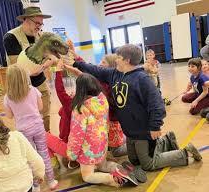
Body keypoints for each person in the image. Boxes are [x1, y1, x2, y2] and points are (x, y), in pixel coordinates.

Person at [64, 44, 202, 171]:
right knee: (134, 161)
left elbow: (157, 105)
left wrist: (155, 127)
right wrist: (76, 63)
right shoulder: (114, 74)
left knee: (147, 164)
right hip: (130, 130)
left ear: (127, 60)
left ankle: (185, 153)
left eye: (118, 57)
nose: (116, 60)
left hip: (143, 130)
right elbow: (95, 70)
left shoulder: (141, 79)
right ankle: (165, 141)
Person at [66, 73, 139, 187]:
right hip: (102, 143)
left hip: (88, 149)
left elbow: (77, 135)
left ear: (80, 89)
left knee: (88, 176)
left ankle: (114, 179)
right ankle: (120, 169)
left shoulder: (80, 109)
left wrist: (72, 154)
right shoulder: (102, 100)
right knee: (102, 166)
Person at [3, 65, 58, 191]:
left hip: (23, 131)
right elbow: (40, 108)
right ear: (24, 77)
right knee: (44, 153)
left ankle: (36, 185)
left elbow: (9, 116)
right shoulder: (33, 90)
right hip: (38, 126)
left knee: (30, 158)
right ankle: (51, 181)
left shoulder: (8, 97)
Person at [3, 6, 52, 132]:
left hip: (40, 82)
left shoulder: (41, 36)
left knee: (45, 115)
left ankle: (47, 144)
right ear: (26, 20)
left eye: (41, 24)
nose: (39, 27)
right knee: (27, 121)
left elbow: (51, 58)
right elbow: (17, 66)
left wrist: (43, 66)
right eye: (37, 23)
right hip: (21, 86)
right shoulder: (11, 37)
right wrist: (38, 66)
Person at [0, 113, 45, 192]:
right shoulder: (17, 136)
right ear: (1, 125)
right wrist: (40, 174)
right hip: (26, 186)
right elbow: (36, 159)